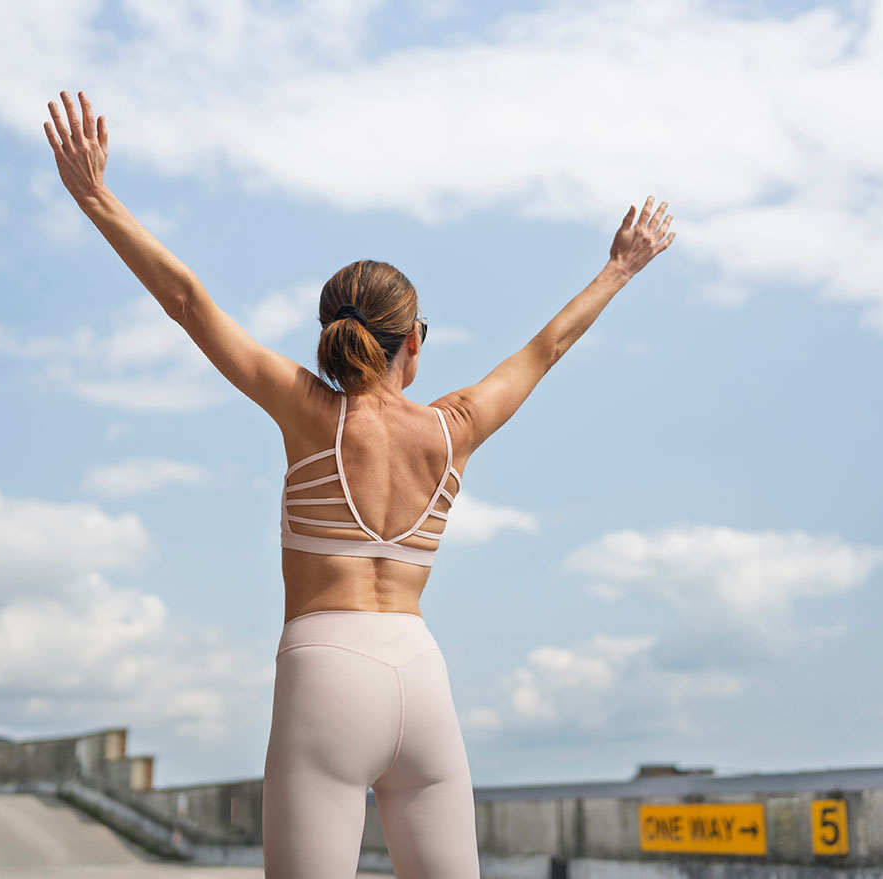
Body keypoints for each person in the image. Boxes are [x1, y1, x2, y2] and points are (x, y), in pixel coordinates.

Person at [45, 89, 675, 878]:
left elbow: (187, 301)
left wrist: (97, 196)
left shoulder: (311, 414)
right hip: (421, 673)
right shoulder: (455, 428)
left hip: (326, 668)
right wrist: (620, 265)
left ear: (332, 340)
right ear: (415, 342)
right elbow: (547, 347)